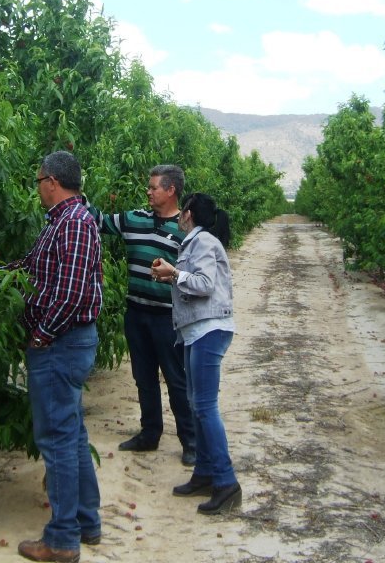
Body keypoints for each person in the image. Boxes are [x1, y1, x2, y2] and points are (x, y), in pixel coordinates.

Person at [11, 151, 104, 563]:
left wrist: (40, 337)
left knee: (58, 439)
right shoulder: (62, 223)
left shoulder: (76, 224)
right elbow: (30, 269)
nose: (37, 189)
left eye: (37, 182)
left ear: (51, 181)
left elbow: (70, 294)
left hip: (61, 344)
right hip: (66, 342)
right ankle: (86, 522)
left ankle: (63, 538)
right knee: (73, 433)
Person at [87, 165, 197, 466]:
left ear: (171, 190)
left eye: (153, 187)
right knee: (143, 377)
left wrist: (175, 275)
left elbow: (197, 274)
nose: (148, 191)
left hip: (168, 317)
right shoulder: (135, 219)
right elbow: (99, 222)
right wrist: (76, 196)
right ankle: (150, 434)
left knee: (176, 379)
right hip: (136, 312)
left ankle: (191, 441)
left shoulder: (187, 230)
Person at [149, 192, 241, 515]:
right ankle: (204, 472)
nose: (178, 217)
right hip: (195, 332)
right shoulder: (195, 242)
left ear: (187, 213)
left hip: (208, 330)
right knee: (196, 403)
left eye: (181, 213)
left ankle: (226, 482)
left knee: (204, 406)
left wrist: (173, 273)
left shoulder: (204, 243)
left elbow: (203, 284)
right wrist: (172, 273)